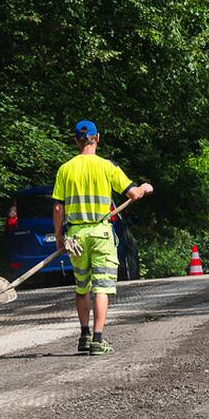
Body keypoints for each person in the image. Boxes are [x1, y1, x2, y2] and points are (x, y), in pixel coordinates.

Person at [52, 120, 153, 355]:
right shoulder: (107, 167)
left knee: (81, 287)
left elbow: (58, 208)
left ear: (77, 141)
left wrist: (59, 237)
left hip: (75, 237)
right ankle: (98, 339)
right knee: (102, 287)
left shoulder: (65, 169)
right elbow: (133, 193)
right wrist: (145, 188)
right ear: (97, 138)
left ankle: (84, 336)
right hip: (100, 234)